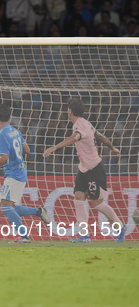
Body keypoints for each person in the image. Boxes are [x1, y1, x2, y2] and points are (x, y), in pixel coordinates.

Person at [43, 98, 125, 243]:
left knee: (97, 203)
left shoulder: (79, 126)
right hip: (84, 168)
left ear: (70, 111)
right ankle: (85, 235)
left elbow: (75, 138)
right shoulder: (86, 123)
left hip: (94, 168)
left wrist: (54, 147)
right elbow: (101, 137)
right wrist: (112, 147)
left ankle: (120, 226)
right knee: (79, 197)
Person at [0, 104, 50, 243]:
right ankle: (38, 212)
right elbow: (28, 149)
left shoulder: (2, 134)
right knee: (11, 206)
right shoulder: (15, 130)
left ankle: (24, 236)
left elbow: (4, 158)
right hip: (20, 170)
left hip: (14, 174)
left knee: (5, 207)